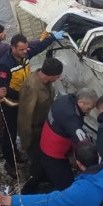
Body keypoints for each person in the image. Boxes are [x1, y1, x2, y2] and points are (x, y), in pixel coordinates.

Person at [0, 31, 62, 177]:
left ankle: (19, 154)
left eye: (26, 49)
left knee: (26, 125)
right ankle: (10, 162)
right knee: (10, 134)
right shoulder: (4, 65)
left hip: (24, 98)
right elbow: (3, 90)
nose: (25, 52)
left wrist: (52, 38)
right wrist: (25, 93)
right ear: (13, 48)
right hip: (11, 103)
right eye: (22, 49)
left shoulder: (24, 55)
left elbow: (38, 47)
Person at [17, 57, 63, 194]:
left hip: (43, 128)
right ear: (52, 75)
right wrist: (26, 142)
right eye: (58, 75)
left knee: (44, 159)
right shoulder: (32, 87)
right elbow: (25, 117)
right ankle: (28, 190)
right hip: (34, 132)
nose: (59, 78)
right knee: (37, 163)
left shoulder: (45, 82)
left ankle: (44, 178)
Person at [39, 89, 97, 190]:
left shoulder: (64, 99)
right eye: (88, 108)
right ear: (80, 102)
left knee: (50, 173)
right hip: (54, 154)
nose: (89, 112)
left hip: (45, 144)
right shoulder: (71, 117)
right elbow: (84, 144)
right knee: (65, 184)